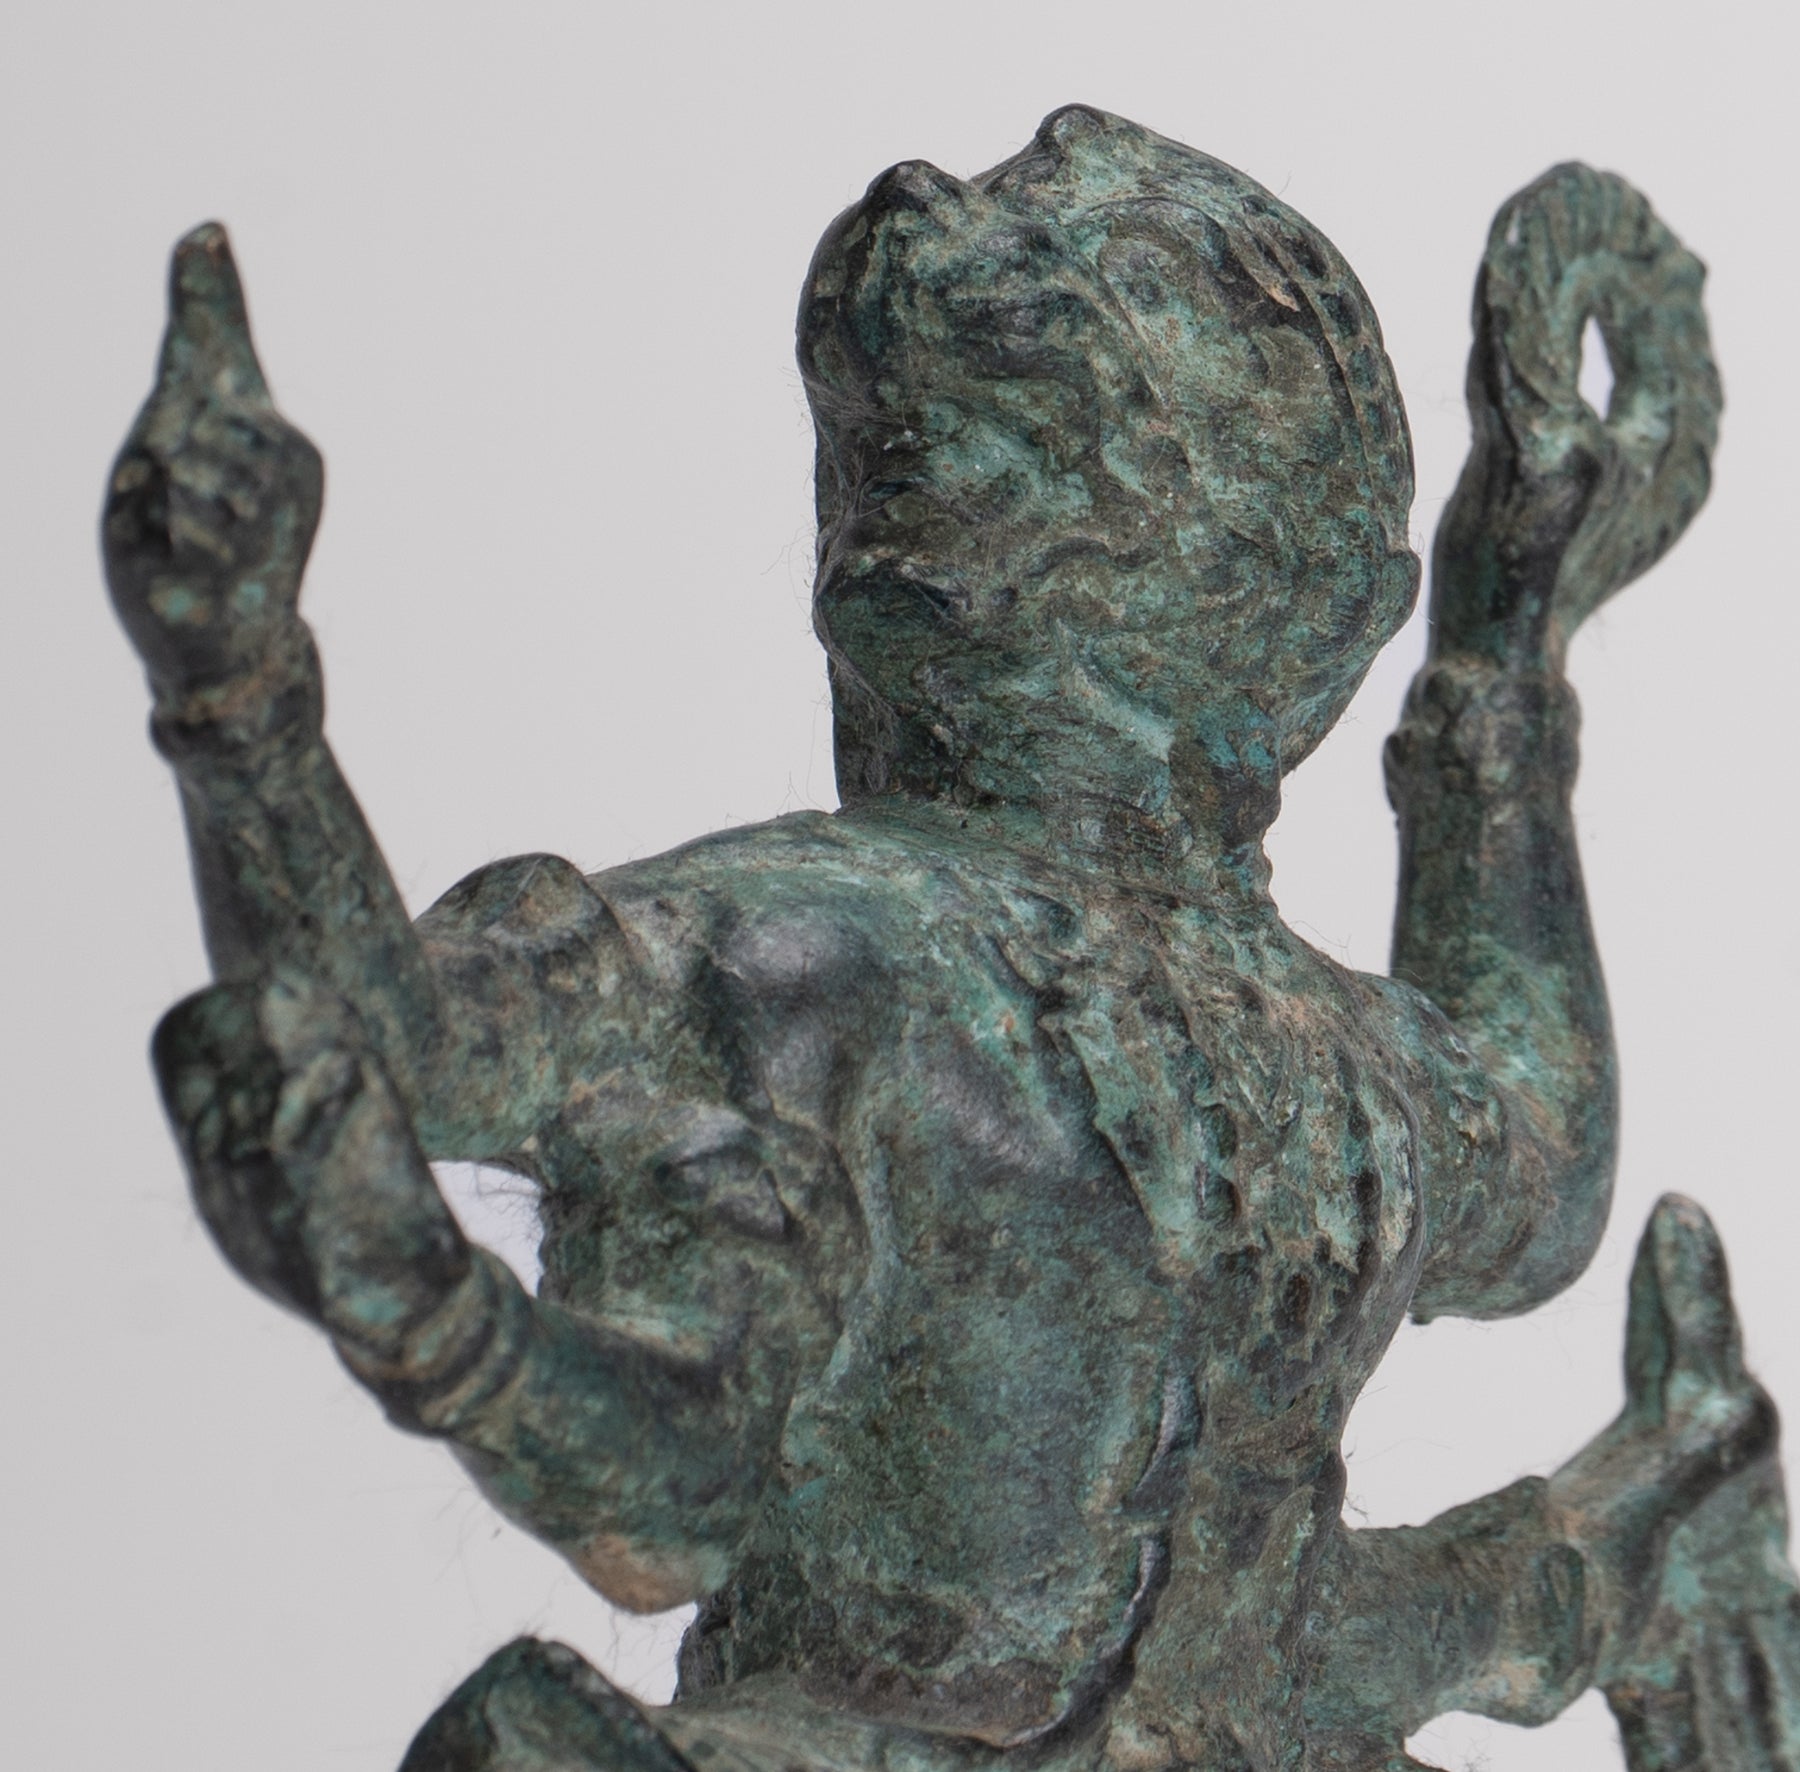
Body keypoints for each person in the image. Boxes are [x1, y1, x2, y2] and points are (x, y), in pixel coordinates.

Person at [105, 106, 1787, 1772]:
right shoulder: (823, 960)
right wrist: (242, 704)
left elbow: (379, 1060)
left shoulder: (1246, 1047)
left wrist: (241, 704)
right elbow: (395, 1062)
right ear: (1326, 606)